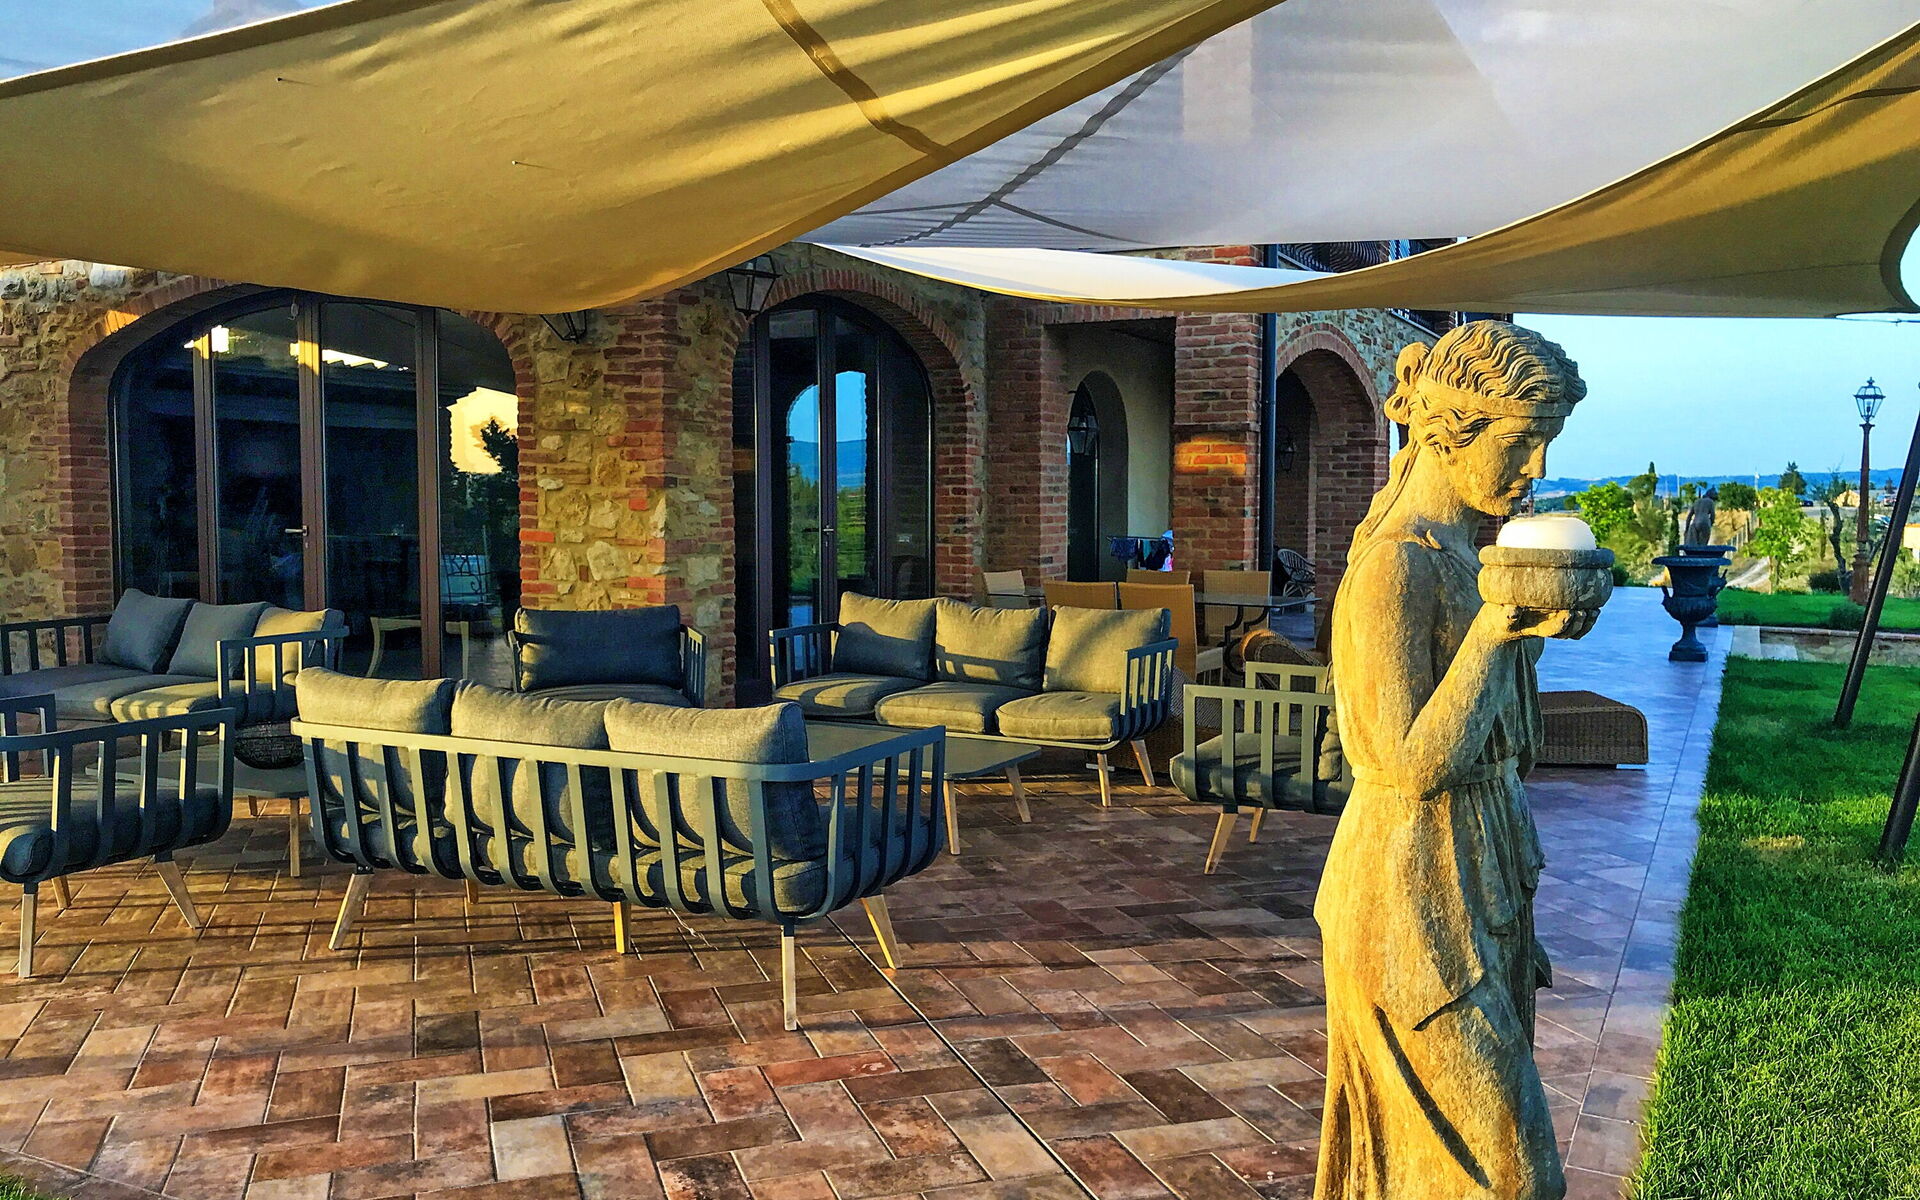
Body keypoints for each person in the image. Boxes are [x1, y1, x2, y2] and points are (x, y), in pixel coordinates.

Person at [1315, 321, 1589, 1200]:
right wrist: (1496, 631)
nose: (1538, 467)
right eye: (1522, 440)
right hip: (1409, 894)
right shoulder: (1396, 568)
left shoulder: (1469, 554)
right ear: (1447, 431)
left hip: (1480, 870)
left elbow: (1501, 733)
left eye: (1547, 442)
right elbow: (1406, 765)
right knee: (1513, 1173)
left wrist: (1530, 632)